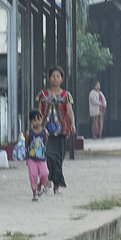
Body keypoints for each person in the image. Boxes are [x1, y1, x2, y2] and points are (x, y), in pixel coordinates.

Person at [36, 66, 75, 195]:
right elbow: (39, 112)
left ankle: (56, 186)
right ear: (49, 78)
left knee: (59, 159)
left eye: (58, 76)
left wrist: (73, 124)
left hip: (62, 131)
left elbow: (69, 111)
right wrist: (37, 127)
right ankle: (45, 182)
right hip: (46, 132)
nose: (55, 79)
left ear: (62, 79)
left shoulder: (66, 95)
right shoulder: (42, 95)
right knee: (47, 158)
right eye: (53, 76)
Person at [22, 111, 49, 201]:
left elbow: (45, 143)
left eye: (39, 119)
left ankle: (39, 185)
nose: (37, 122)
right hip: (32, 158)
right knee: (33, 175)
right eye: (34, 120)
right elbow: (27, 145)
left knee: (45, 173)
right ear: (30, 122)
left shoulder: (45, 131)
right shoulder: (29, 133)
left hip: (42, 158)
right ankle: (34, 193)